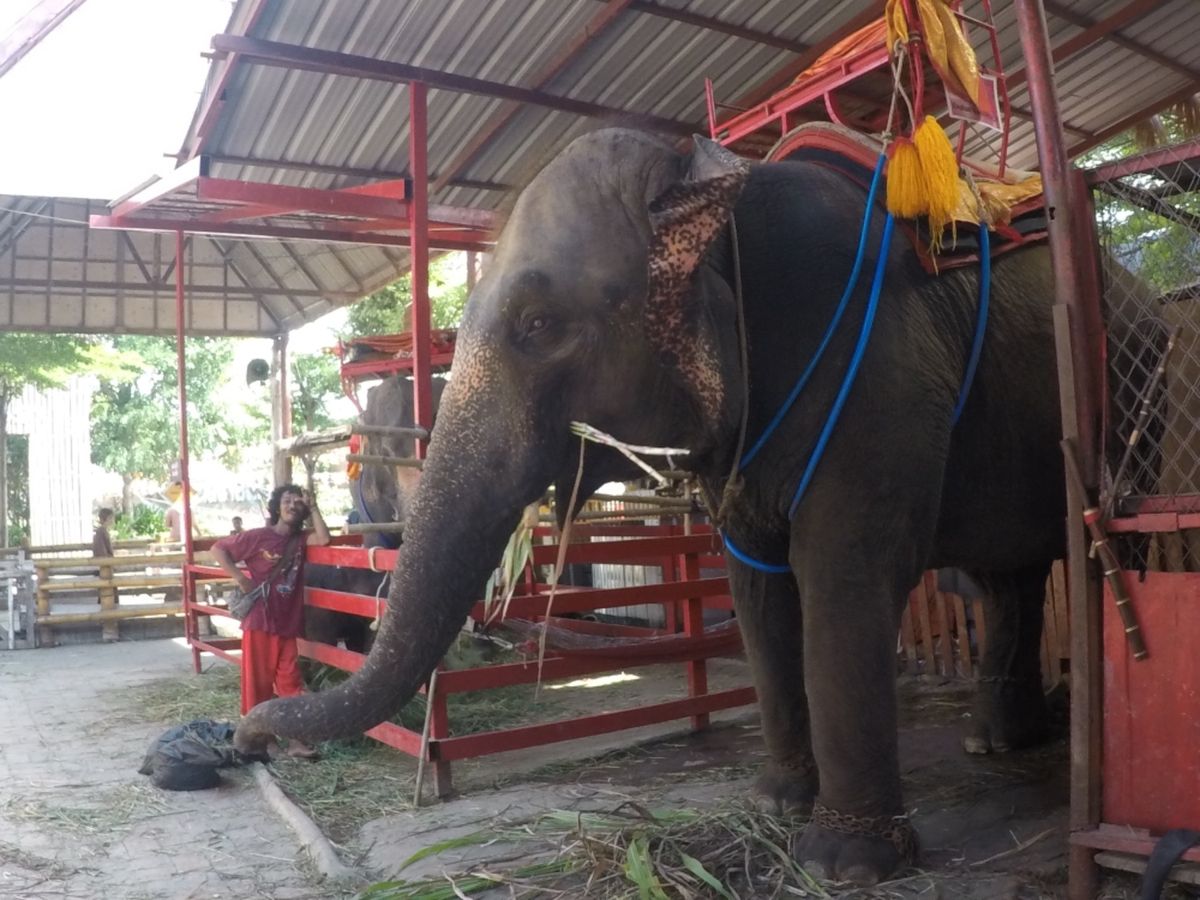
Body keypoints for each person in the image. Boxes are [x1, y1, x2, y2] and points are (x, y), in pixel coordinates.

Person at [211, 484, 329, 759]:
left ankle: (296, 741)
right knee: (258, 684)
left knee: (291, 684)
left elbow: (323, 538)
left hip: (287, 624)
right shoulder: (257, 537)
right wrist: (240, 579)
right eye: (287, 501)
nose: (292, 506)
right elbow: (218, 549)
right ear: (277, 507)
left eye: (297, 503)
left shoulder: (301, 539)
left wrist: (313, 507)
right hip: (260, 621)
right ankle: (262, 741)